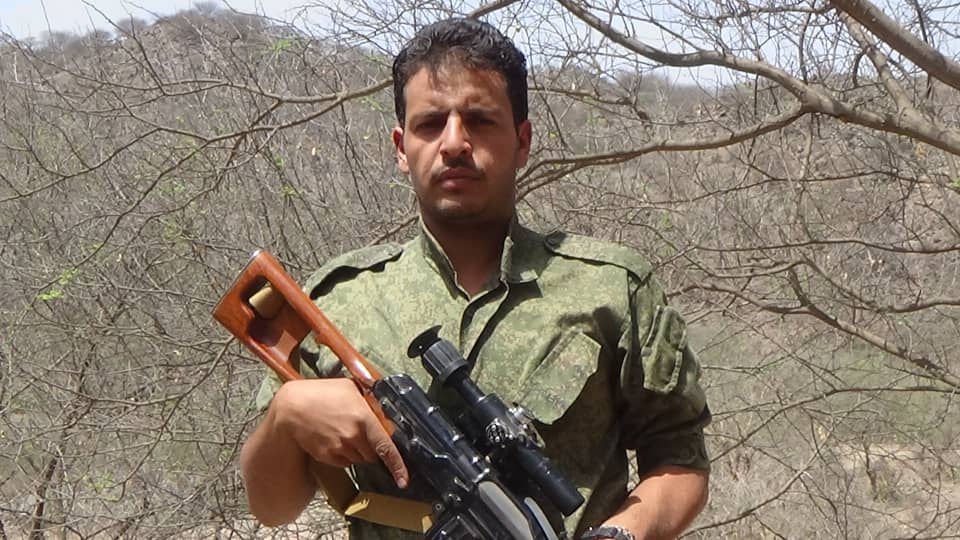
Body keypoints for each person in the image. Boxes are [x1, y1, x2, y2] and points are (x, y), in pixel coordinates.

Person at [239, 17, 710, 540]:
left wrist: (620, 535)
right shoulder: (339, 302)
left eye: (480, 120)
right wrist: (285, 418)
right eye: (430, 123)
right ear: (401, 147)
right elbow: (272, 507)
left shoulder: (612, 287)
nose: (454, 142)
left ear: (522, 141)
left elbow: (681, 459)